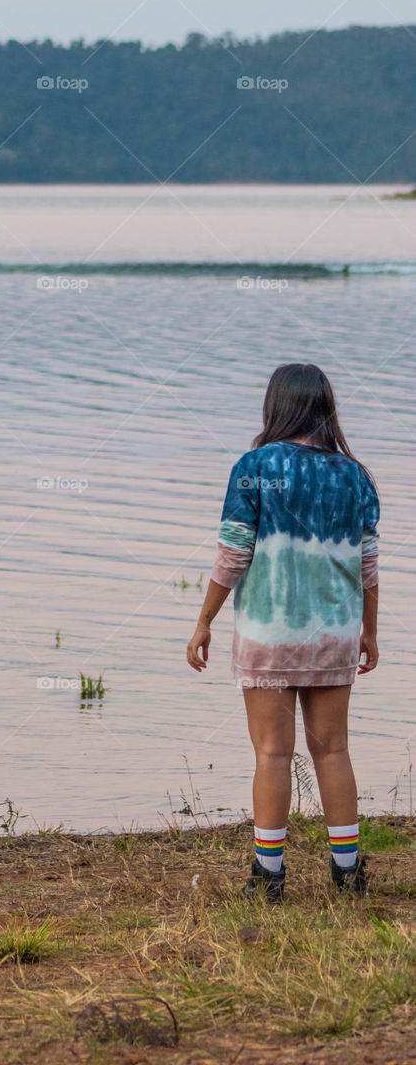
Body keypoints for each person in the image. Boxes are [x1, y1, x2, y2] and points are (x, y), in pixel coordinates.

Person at [187, 364, 379, 899]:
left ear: (276, 406)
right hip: (334, 633)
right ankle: (348, 873)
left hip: (270, 635)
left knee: (272, 754)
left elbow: (233, 553)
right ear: (325, 407)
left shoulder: (254, 467)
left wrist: (204, 621)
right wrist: (370, 631)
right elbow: (368, 564)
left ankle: (268, 877)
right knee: (334, 752)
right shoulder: (354, 475)